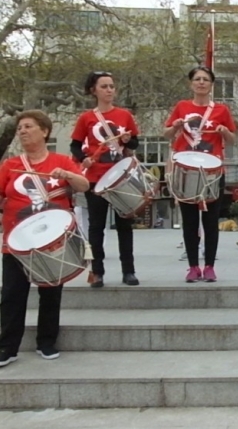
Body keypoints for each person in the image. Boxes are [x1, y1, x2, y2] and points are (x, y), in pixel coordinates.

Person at [0, 110, 89, 367]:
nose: (22, 131)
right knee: (12, 295)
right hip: (16, 242)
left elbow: (84, 185)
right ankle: (7, 347)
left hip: (52, 241)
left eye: (28, 126)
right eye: (20, 128)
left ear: (44, 131)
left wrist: (68, 175)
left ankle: (46, 341)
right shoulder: (10, 165)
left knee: (50, 292)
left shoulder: (61, 161)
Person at [164, 66, 236, 283]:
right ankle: (193, 266)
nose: (201, 82)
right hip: (187, 170)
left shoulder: (221, 110)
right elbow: (166, 133)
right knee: (190, 221)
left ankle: (210, 266)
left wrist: (224, 132)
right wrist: (175, 126)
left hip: (213, 170)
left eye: (205, 79)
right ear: (191, 84)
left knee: (211, 220)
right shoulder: (182, 106)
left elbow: (232, 139)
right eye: (197, 79)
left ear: (211, 84)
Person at [70, 71, 140, 288]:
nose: (109, 90)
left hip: (119, 177)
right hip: (96, 178)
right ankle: (97, 271)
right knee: (96, 227)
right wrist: (84, 159)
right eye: (104, 86)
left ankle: (128, 271)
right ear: (94, 90)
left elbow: (134, 143)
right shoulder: (86, 118)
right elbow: (75, 144)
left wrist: (128, 140)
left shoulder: (124, 115)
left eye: (111, 86)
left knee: (124, 225)